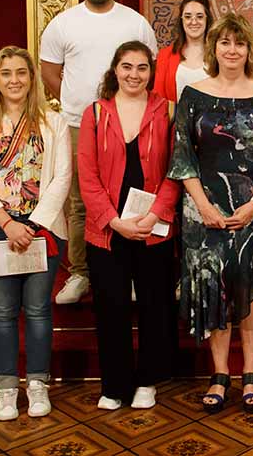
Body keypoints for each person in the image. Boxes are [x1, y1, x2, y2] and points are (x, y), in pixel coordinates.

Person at [168, 13, 253, 415]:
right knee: (215, 290)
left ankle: (250, 372)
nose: (231, 50)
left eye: (239, 43)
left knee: (248, 290)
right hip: (204, 212)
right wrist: (204, 208)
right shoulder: (193, 95)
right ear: (214, 49)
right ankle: (220, 374)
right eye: (224, 43)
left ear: (249, 50)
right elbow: (182, 157)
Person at [0, 46, 72, 421]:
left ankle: (38, 383)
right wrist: (7, 223)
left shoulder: (52, 121)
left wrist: (34, 224)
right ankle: (7, 388)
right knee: (4, 310)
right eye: (6, 73)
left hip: (42, 229)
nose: (14, 80)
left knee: (39, 310)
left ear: (32, 77)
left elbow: (61, 178)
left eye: (21, 72)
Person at [40, 0, 158, 305]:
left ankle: (133, 272)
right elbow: (49, 72)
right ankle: (81, 274)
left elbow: (147, 68)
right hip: (80, 124)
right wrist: (83, 107)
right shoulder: (63, 24)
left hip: (130, 123)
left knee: (132, 196)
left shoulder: (135, 23)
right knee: (81, 202)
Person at [78, 41, 181, 410]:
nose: (134, 74)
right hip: (108, 231)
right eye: (127, 66)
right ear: (115, 69)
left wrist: (155, 215)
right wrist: (114, 221)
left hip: (153, 227)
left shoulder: (167, 111)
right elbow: (87, 177)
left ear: (151, 72)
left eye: (141, 67)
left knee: (155, 305)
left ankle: (148, 380)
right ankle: (115, 385)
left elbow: (176, 170)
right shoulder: (95, 113)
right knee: (111, 306)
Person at [153, 0, 214, 102]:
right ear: (181, 20)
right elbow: (158, 100)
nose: (193, 21)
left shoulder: (219, 53)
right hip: (176, 119)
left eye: (199, 16)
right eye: (188, 17)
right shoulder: (165, 55)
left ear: (207, 19)